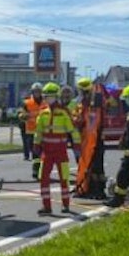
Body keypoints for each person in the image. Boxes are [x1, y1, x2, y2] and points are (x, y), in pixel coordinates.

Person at [33, 82, 81, 215]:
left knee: (64, 178)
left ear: (56, 96)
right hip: (47, 152)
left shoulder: (64, 112)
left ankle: (66, 205)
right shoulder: (43, 113)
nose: (48, 99)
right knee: (43, 178)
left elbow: (73, 129)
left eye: (50, 96)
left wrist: (77, 144)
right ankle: (46, 206)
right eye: (46, 96)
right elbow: (39, 131)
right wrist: (36, 144)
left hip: (60, 151)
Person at [73, 77, 107, 199]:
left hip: (93, 139)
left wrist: (77, 121)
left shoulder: (93, 104)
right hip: (88, 139)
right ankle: (88, 189)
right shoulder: (85, 103)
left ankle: (98, 191)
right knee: (90, 166)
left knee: (96, 167)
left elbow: (90, 122)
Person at [17, 82, 46, 178]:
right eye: (35, 91)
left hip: (43, 131)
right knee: (34, 152)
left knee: (42, 152)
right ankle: (36, 169)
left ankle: (38, 170)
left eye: (38, 91)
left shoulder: (45, 102)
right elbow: (20, 114)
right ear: (32, 92)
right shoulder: (27, 102)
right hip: (31, 131)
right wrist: (23, 116)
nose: (37, 93)